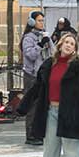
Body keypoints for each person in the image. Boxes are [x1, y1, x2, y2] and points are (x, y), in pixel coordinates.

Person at [22, 11, 55, 146]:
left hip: (44, 73)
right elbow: (29, 55)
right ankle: (30, 134)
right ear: (32, 22)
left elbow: (52, 52)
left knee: (42, 104)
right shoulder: (28, 38)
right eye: (39, 20)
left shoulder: (45, 35)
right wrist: (40, 45)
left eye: (43, 20)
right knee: (32, 105)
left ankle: (39, 132)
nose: (42, 23)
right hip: (32, 74)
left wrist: (48, 43)